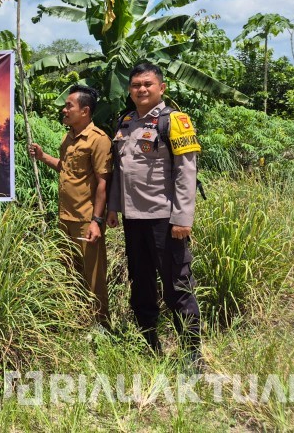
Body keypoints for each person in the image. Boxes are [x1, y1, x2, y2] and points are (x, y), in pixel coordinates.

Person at [106, 63, 203, 368]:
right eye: (135, 85)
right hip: (133, 220)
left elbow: (187, 173)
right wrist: (112, 208)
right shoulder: (125, 123)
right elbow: (121, 172)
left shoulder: (174, 121)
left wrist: (183, 219)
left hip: (165, 219)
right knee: (141, 284)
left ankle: (192, 355)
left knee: (177, 286)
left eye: (148, 84)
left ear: (161, 88)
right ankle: (151, 345)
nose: (141, 89)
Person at [29, 85, 112, 326]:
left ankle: (102, 326)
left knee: (94, 276)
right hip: (65, 217)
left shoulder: (98, 140)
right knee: (72, 274)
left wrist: (97, 221)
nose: (64, 110)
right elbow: (66, 168)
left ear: (85, 111)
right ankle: (80, 321)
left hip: (86, 220)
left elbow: (103, 184)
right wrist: (44, 157)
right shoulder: (69, 137)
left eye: (69, 106)